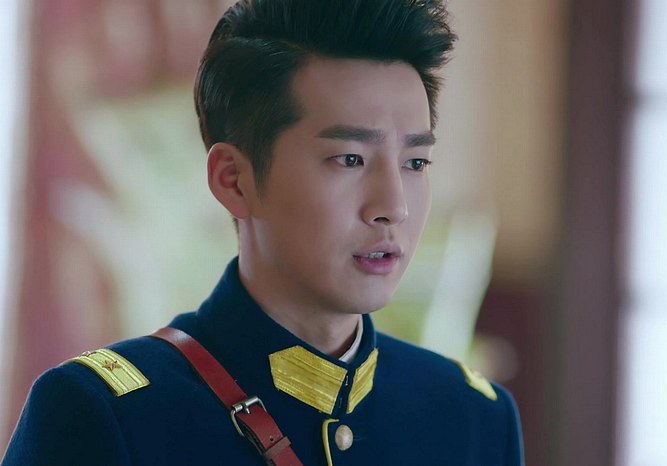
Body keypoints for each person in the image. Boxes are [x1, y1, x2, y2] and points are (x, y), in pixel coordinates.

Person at [2, 0, 524, 464]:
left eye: (415, 162)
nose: (394, 207)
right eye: (350, 159)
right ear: (233, 179)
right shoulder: (104, 413)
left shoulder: (472, 418)